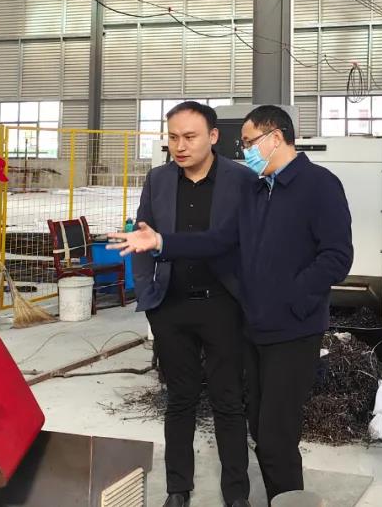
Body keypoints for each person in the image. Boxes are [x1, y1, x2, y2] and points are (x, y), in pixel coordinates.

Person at [111, 105, 353, 503]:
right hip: (256, 327)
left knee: (274, 435)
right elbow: (220, 240)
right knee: (260, 427)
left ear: (276, 137)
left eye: (250, 142)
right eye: (243, 144)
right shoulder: (259, 190)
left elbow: (337, 257)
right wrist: (161, 243)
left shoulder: (318, 184)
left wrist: (291, 297)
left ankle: (278, 499)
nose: (246, 151)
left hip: (292, 327)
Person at [132, 101, 253, 507]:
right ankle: (177, 489)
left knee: (228, 400)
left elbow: (249, 242)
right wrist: (149, 297)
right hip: (171, 306)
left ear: (213, 136)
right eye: (173, 137)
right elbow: (142, 238)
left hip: (223, 306)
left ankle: (236, 494)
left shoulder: (241, 180)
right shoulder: (159, 180)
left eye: (189, 137)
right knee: (180, 399)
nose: (179, 146)